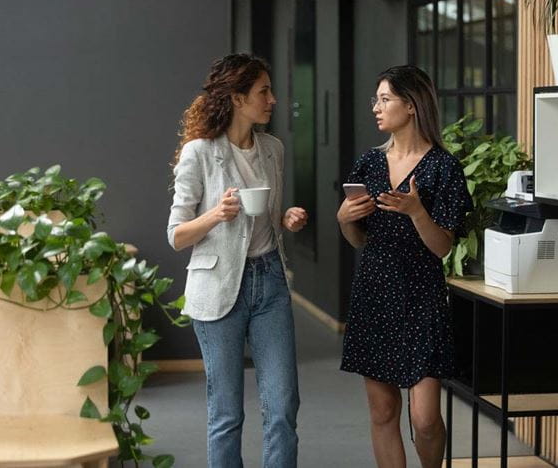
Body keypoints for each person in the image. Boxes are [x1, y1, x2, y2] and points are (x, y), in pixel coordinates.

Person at [167, 53, 308, 468]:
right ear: (237, 97)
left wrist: (286, 218)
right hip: (218, 288)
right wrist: (215, 214)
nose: (273, 99)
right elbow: (175, 235)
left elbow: (265, 218)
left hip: (270, 282)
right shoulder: (199, 152)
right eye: (263, 91)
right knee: (227, 412)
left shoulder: (273, 149)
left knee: (283, 406)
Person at [337, 65, 473, 468]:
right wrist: (345, 220)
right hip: (374, 295)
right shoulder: (368, 164)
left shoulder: (444, 168)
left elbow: (443, 248)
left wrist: (417, 212)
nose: (375, 108)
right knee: (382, 413)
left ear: (411, 106)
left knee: (426, 419)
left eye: (385, 99)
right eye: (375, 100)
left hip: (421, 297)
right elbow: (360, 240)